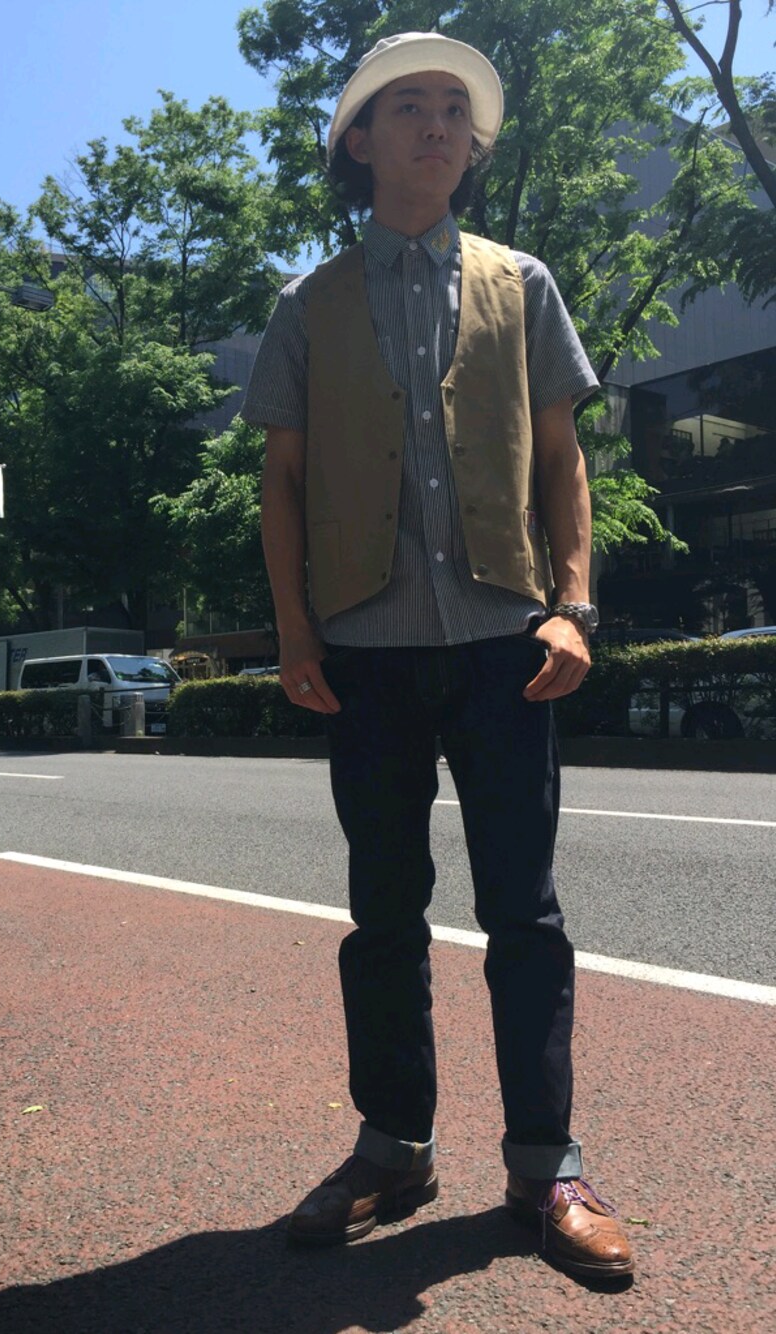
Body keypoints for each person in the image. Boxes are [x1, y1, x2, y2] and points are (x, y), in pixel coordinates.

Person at [242, 31, 633, 1280]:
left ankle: (545, 1163)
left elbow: (562, 456)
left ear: (472, 145)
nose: (433, 126)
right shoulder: (307, 303)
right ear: (357, 142)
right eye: (405, 107)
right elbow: (282, 480)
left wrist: (573, 604)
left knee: (525, 910)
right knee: (382, 912)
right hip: (364, 647)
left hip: (507, 643)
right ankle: (393, 1145)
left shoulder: (523, 282)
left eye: (451, 111)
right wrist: (295, 631)